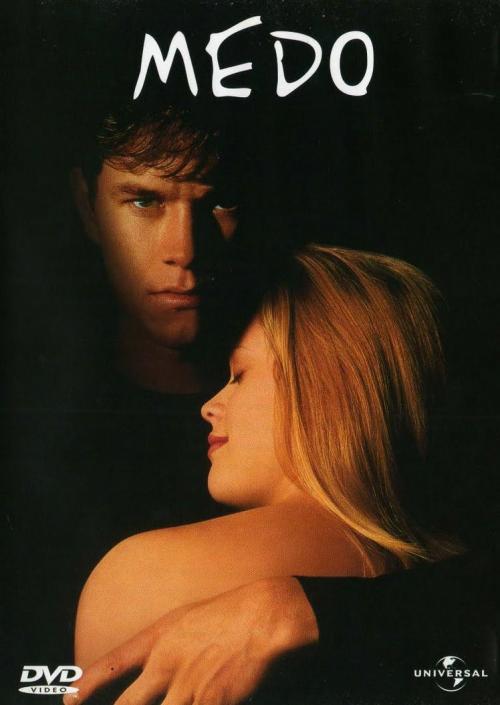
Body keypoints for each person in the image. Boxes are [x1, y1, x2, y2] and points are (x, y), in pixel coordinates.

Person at [69, 245, 478, 704]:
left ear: (327, 383)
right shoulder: (454, 590)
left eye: (239, 374)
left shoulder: (143, 578)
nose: (210, 406)